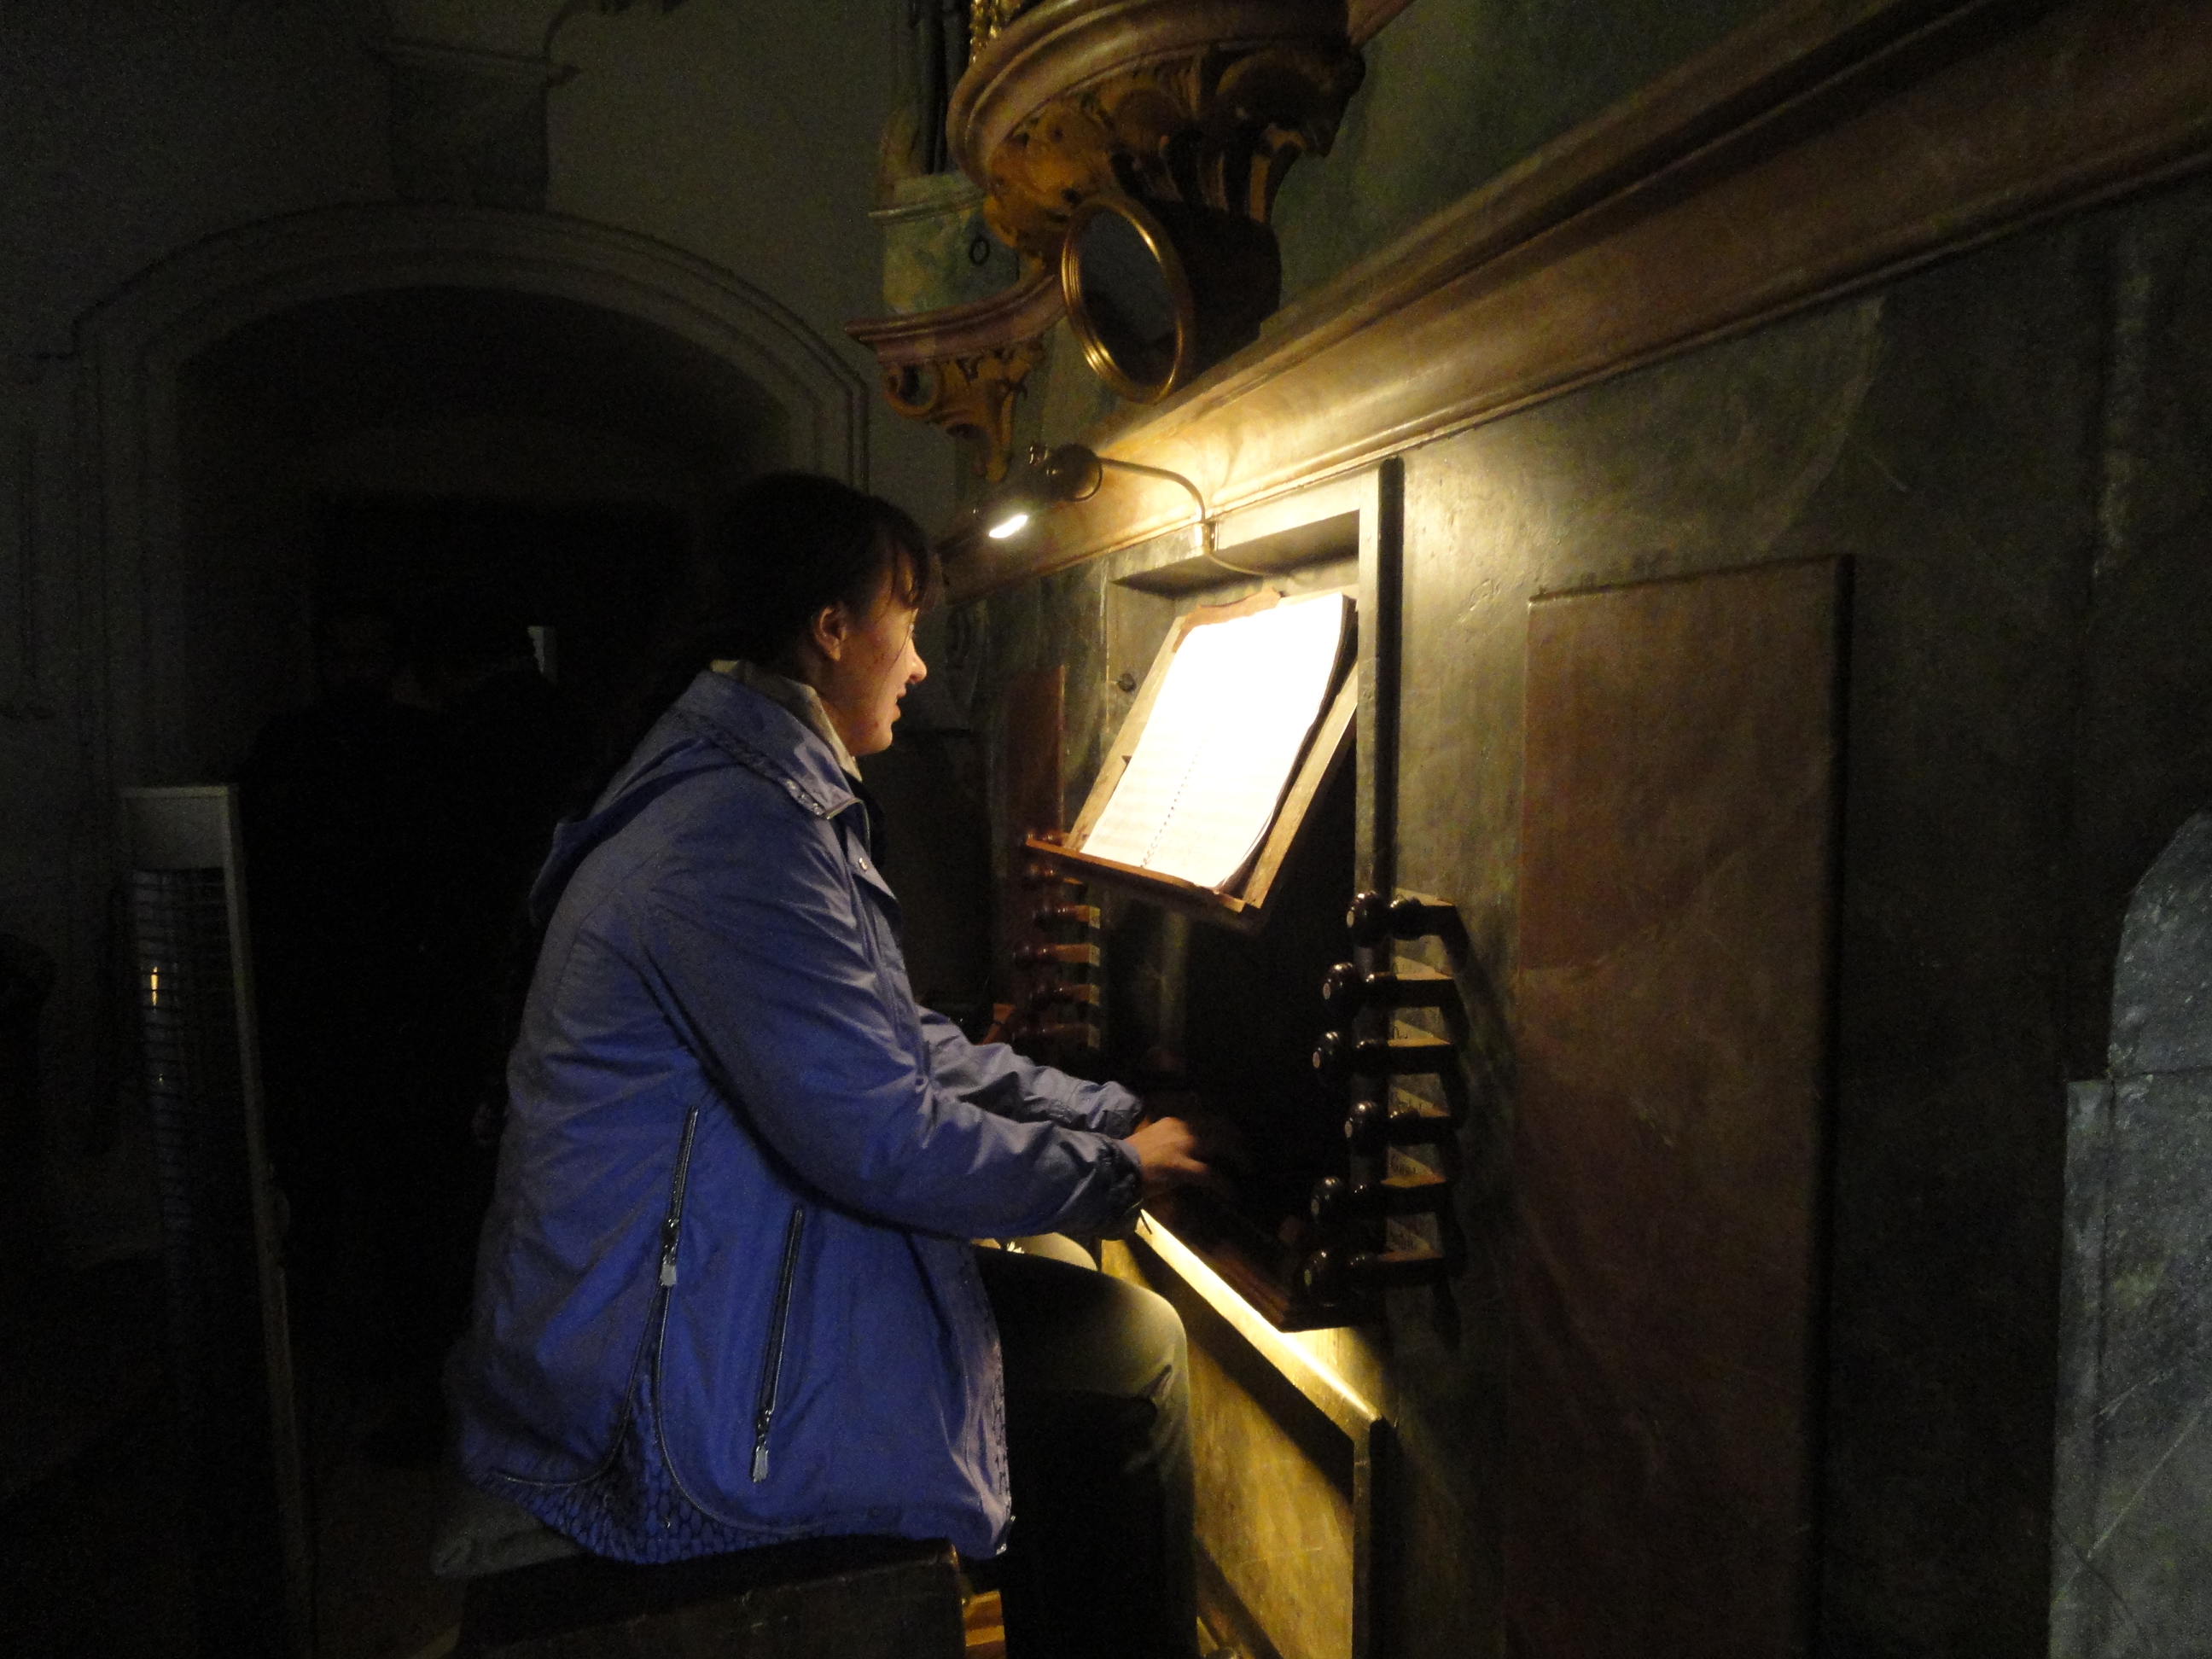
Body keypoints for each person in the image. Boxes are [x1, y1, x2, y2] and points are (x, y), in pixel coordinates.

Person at [446, 474, 1230, 1659]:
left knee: (1060, 1300)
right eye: (905, 623)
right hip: (651, 1374)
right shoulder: (740, 831)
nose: (918, 665)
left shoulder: (748, 787)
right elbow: (882, 1138)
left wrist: (1103, 1114)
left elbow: (891, 1040)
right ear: (830, 630)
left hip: (693, 1282)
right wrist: (1115, 1172)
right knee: (1135, 1356)